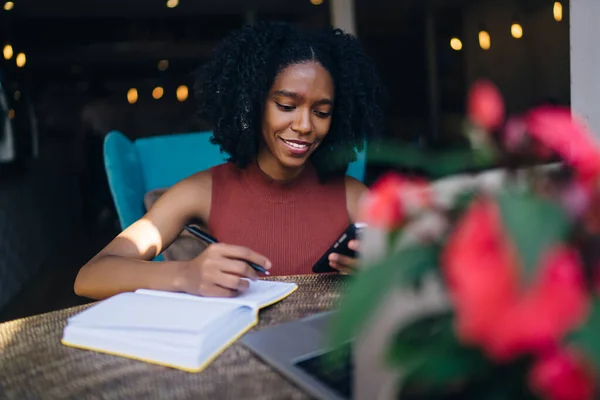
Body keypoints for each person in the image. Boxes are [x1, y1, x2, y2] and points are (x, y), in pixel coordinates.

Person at [74, 21, 386, 300]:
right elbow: (91, 276)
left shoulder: (354, 197)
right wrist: (185, 275)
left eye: (321, 112)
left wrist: (377, 275)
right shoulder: (201, 191)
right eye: (287, 105)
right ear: (253, 104)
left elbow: (416, 288)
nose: (305, 125)